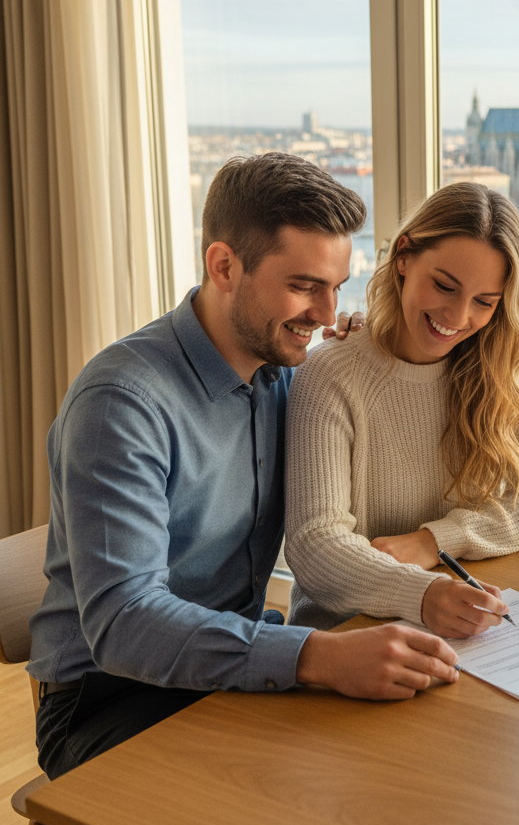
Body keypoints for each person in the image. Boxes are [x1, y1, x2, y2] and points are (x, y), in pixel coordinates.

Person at [27, 152, 461, 780]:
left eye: (336, 287)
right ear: (224, 265)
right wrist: (317, 656)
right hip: (109, 699)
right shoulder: (122, 403)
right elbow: (124, 623)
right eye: (304, 285)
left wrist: (371, 359)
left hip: (230, 663)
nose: (326, 313)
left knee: (403, 760)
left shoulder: (289, 371)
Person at [284, 181, 519, 637]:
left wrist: (436, 541)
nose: (458, 318)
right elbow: (315, 545)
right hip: (348, 637)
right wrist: (419, 594)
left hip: (458, 625)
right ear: (403, 257)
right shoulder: (331, 374)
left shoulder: (505, 364)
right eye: (444, 286)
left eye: (484, 302)